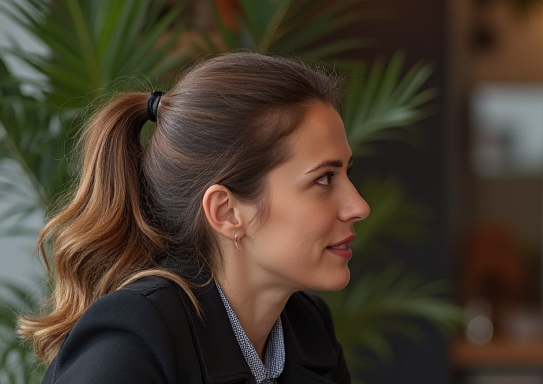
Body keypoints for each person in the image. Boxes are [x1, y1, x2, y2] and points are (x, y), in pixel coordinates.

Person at [19, 53, 368, 383]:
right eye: (323, 179)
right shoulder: (134, 340)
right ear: (226, 212)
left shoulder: (308, 327)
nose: (358, 206)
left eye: (346, 173)